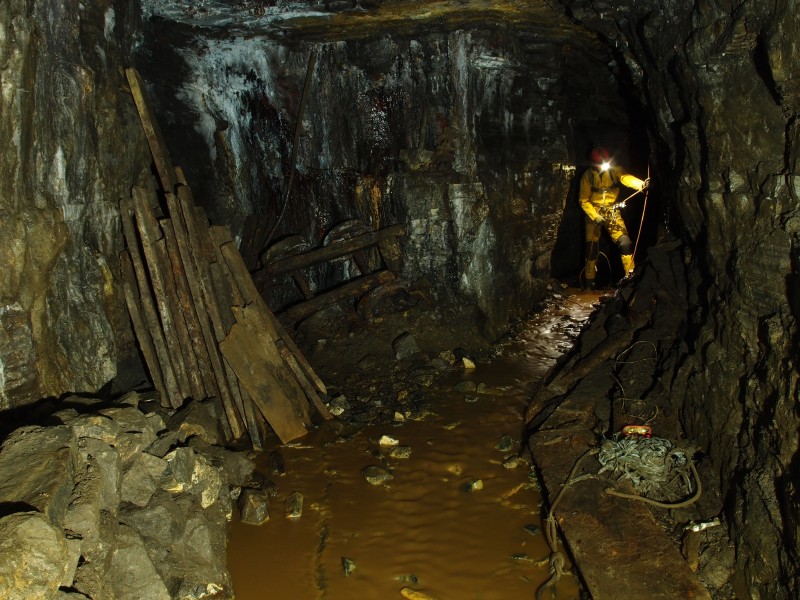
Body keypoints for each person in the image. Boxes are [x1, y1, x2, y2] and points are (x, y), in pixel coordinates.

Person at [578, 145, 649, 289]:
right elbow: (583, 200)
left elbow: (625, 177)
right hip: (594, 213)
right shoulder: (587, 176)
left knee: (625, 243)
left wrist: (641, 184)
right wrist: (595, 216)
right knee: (591, 248)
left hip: (612, 211)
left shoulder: (614, 170)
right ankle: (589, 282)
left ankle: (630, 277)